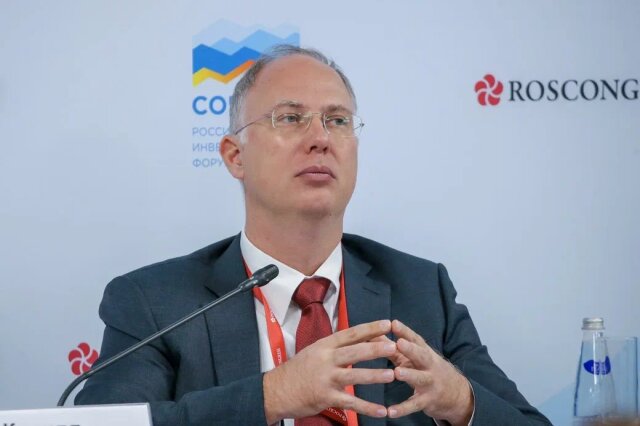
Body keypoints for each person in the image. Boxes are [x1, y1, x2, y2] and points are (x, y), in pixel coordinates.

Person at [75, 45, 552, 426]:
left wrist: (462, 402)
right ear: (235, 156)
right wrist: (272, 396)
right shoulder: (156, 303)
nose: (320, 137)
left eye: (337, 120)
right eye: (290, 118)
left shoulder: (421, 291)